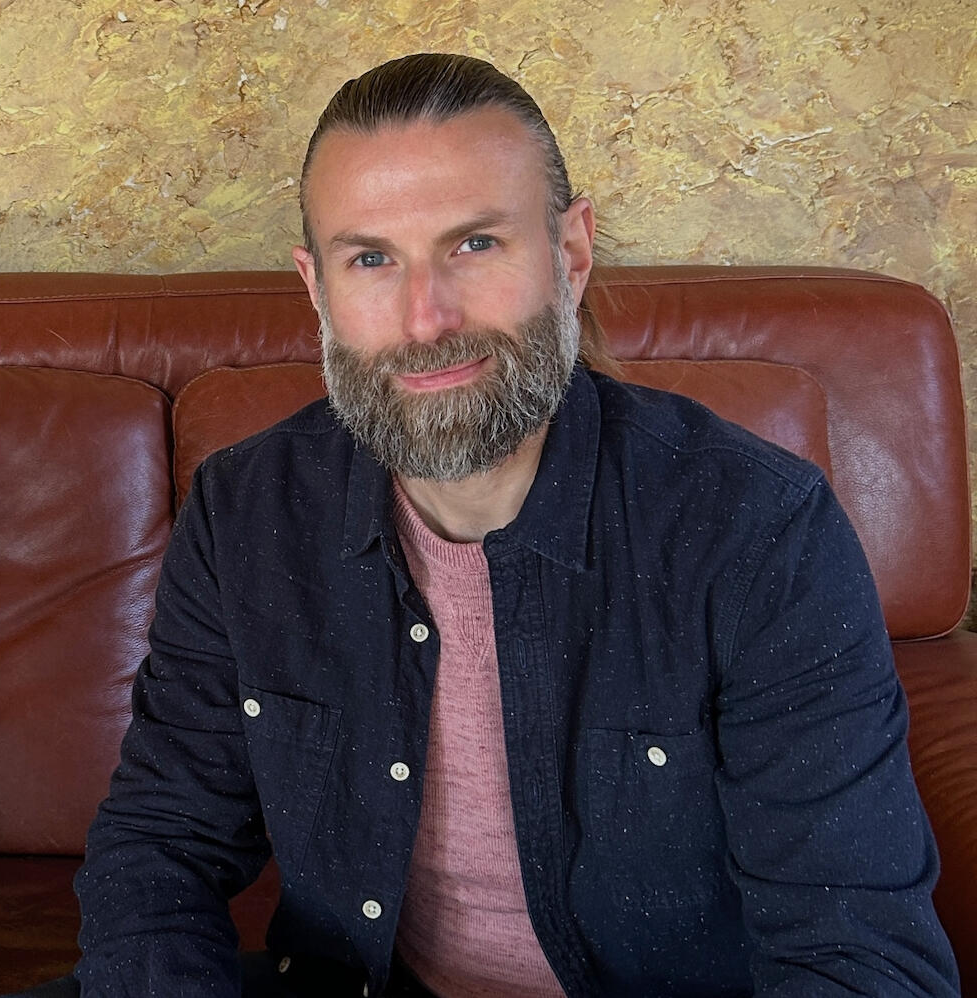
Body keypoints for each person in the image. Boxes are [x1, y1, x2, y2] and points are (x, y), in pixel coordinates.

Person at [64, 53, 959, 997]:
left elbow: (860, 956)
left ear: (570, 254)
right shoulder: (247, 511)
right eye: (371, 259)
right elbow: (159, 845)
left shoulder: (759, 530)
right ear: (317, 287)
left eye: (476, 244)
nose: (425, 319)